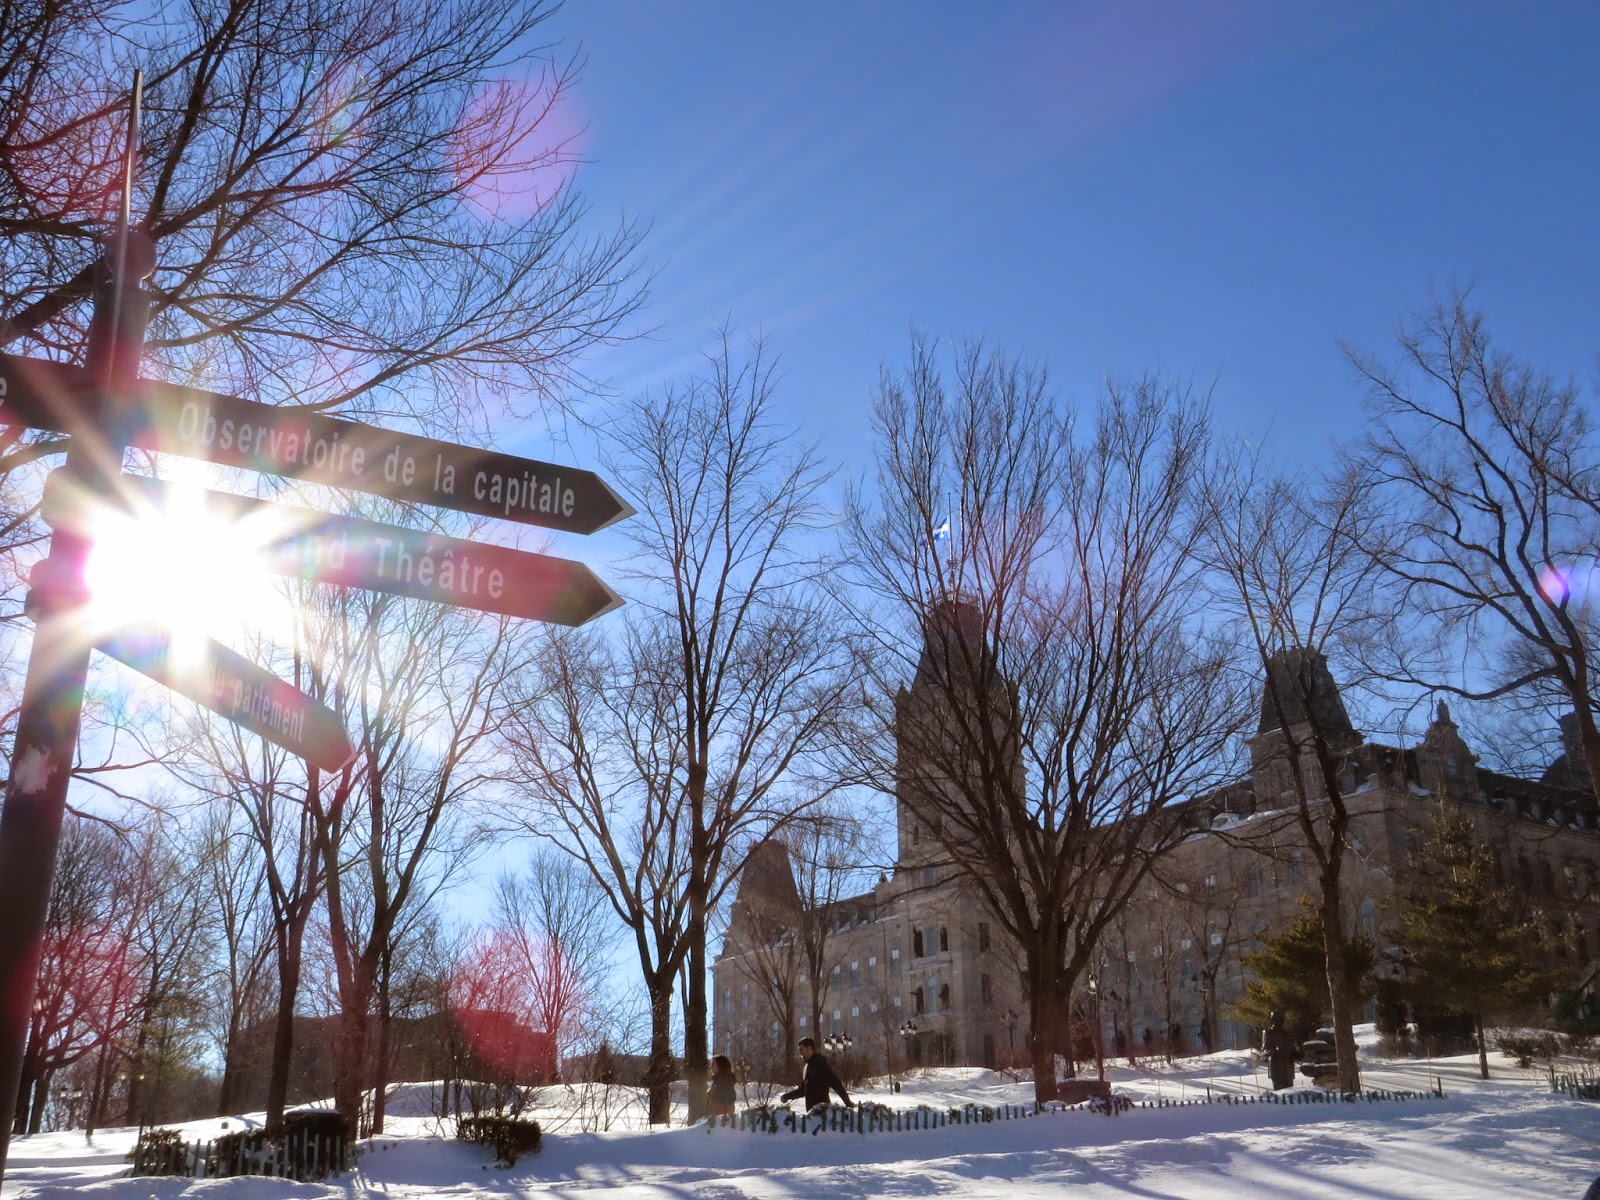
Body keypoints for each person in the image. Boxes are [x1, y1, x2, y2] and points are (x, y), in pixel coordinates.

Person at [779, 1037, 854, 1111]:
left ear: (809, 1049)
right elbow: (803, 1090)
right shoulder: (806, 1067)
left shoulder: (821, 1064)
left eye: (801, 1050)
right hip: (812, 1113)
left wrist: (848, 1103)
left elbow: (836, 1084)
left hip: (823, 1112)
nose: (800, 1053)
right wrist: (787, 1096)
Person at [1262, 1010, 1295, 1091]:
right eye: (1278, 1019)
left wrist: (1297, 1052)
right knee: (1280, 1094)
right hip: (1277, 1069)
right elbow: (1265, 1051)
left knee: (1291, 1094)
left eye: (1281, 1018)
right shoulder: (1268, 1032)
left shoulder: (1289, 1033)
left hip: (1289, 1068)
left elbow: (1293, 1049)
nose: (1281, 1020)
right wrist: (1274, 1050)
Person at [706, 1053, 737, 1119]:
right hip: (715, 1123)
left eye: (713, 1064)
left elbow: (725, 1109)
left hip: (720, 1125)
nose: (710, 1067)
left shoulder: (725, 1083)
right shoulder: (718, 1082)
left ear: (721, 1066)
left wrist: (712, 1094)